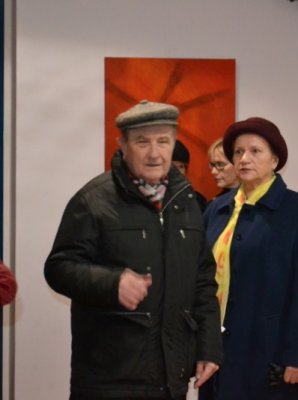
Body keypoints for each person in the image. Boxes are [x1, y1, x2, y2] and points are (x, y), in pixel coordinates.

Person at [44, 100, 223, 400]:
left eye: (163, 141)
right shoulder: (93, 200)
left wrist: (208, 347)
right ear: (123, 146)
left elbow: (203, 281)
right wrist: (112, 283)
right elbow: (59, 268)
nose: (154, 153)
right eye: (142, 142)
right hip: (109, 381)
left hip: (171, 381)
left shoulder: (186, 201)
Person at [202, 117, 298, 399]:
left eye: (255, 151)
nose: (244, 158)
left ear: (275, 160)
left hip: (269, 353)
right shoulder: (216, 209)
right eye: (238, 152)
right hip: (216, 351)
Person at [172, 139, 208, 212]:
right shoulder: (152, 199)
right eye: (172, 166)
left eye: (181, 166)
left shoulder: (197, 200)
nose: (177, 171)